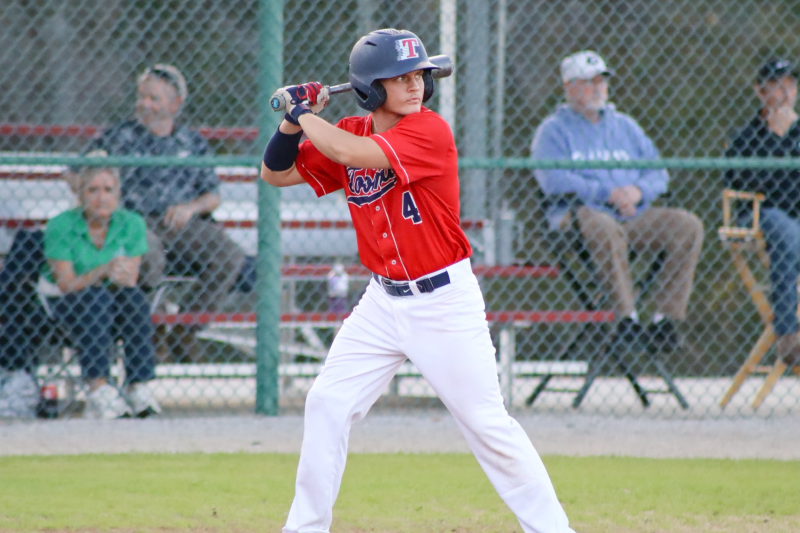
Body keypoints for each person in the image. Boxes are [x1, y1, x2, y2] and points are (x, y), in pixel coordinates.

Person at [261, 29, 575, 533]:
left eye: (419, 75)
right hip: (381, 302)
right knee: (326, 404)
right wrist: (289, 122)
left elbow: (347, 154)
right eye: (399, 78)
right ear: (368, 89)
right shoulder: (348, 127)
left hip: (443, 301)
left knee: (488, 427)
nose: (416, 85)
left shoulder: (429, 131)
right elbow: (275, 174)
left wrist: (304, 113)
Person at [531, 50, 704, 351]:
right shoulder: (553, 131)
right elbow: (553, 181)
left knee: (687, 225)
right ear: (569, 86)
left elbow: (658, 173)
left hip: (631, 215)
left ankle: (664, 320)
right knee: (602, 225)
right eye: (588, 82)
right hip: (579, 220)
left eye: (602, 81)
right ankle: (627, 320)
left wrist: (637, 192)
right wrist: (605, 193)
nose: (598, 88)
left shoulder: (626, 126)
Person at [74, 64, 246, 312]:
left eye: (154, 98)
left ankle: (183, 330)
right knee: (150, 252)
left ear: (174, 105)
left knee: (228, 256)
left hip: (178, 225)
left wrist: (190, 208)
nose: (145, 104)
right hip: (132, 222)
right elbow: (74, 173)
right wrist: (103, 200)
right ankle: (153, 327)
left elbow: (212, 196)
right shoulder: (118, 136)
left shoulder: (191, 142)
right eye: (141, 96)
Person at [43, 158, 160, 419]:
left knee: (134, 299)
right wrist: (103, 270)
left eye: (108, 190)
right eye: (92, 190)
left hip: (113, 302)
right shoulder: (60, 225)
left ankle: (138, 385)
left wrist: (119, 273)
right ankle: (98, 387)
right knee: (96, 299)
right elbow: (66, 283)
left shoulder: (131, 223)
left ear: (118, 194)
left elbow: (129, 279)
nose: (101, 198)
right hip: (66, 304)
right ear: (80, 194)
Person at [724, 57, 800, 369]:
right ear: (759, 91)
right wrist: (777, 140)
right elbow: (752, 185)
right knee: (783, 227)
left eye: (789, 85)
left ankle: (788, 330)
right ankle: (788, 332)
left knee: (789, 233)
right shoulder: (746, 137)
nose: (784, 93)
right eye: (775, 85)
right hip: (760, 217)